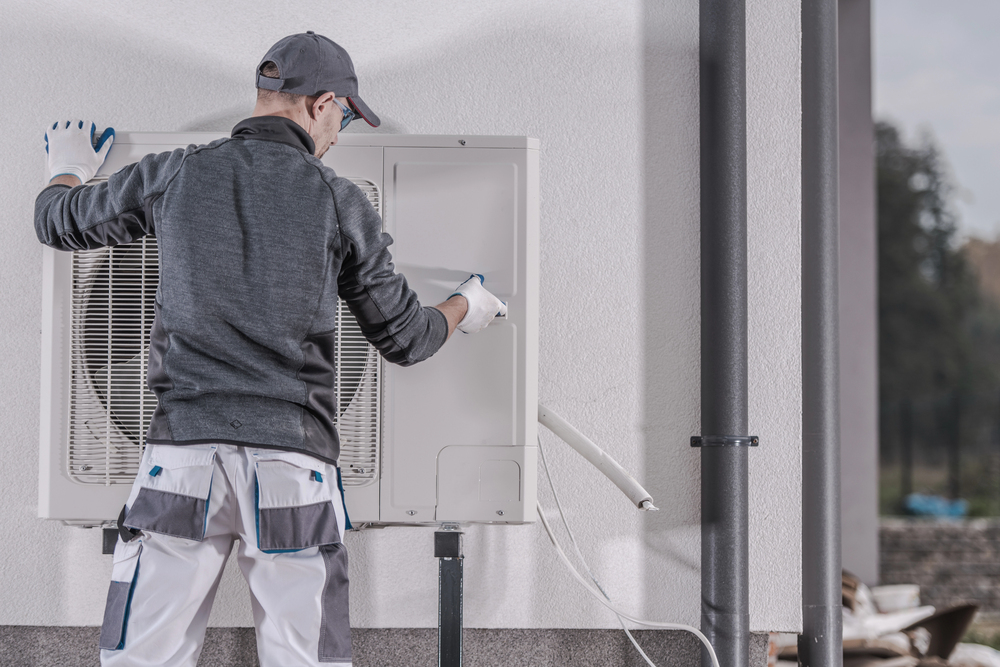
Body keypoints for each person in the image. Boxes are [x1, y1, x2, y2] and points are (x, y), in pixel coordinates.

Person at [35, 31, 505, 667]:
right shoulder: (339, 201)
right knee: (304, 659)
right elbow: (407, 338)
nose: (339, 133)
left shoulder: (175, 172)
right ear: (322, 103)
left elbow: (57, 221)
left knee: (140, 658)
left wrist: (67, 166)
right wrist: (466, 306)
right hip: (293, 470)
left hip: (182, 460)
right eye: (343, 116)